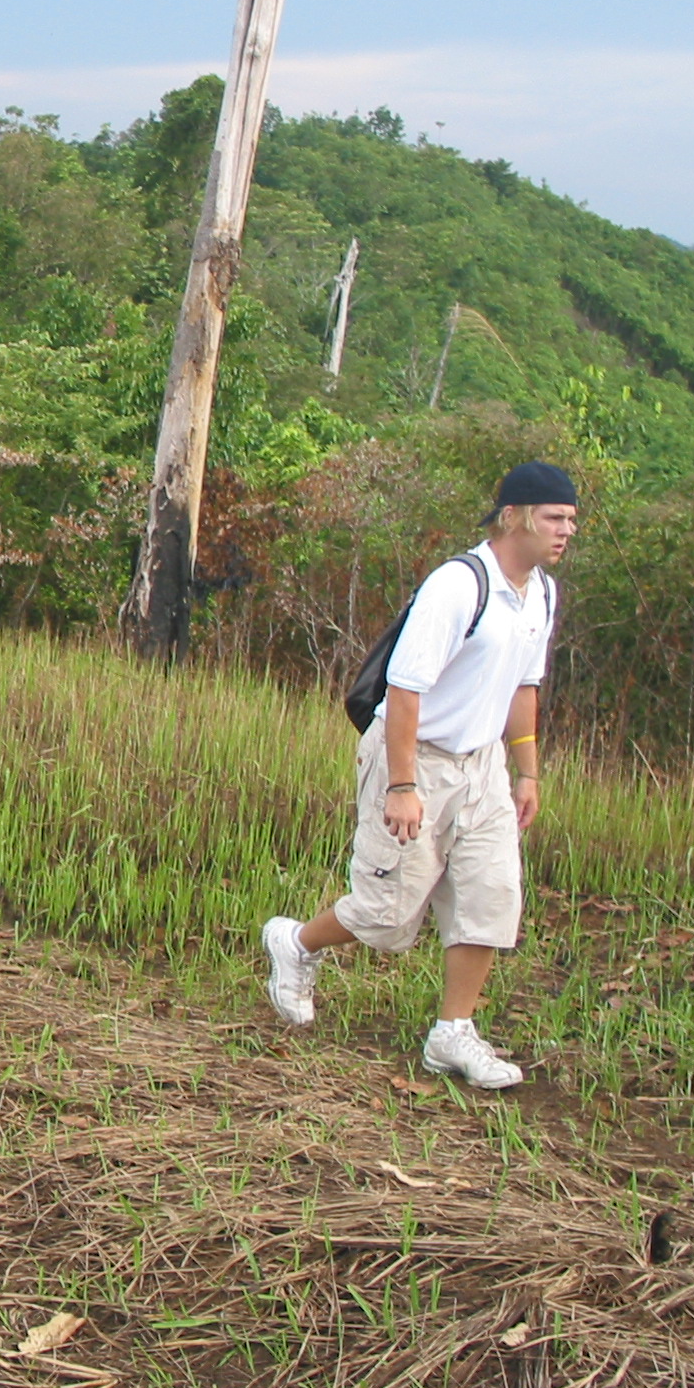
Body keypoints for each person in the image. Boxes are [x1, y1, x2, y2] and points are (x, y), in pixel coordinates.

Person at [262, 462, 580, 1090]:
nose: (565, 530)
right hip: (414, 755)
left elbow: (525, 686)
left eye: (571, 520)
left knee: (491, 899)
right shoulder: (458, 586)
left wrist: (527, 773)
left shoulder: (541, 594)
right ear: (513, 516)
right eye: (554, 518)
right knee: (385, 914)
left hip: (482, 766)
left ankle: (452, 1033)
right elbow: (405, 690)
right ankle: (297, 942)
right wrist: (402, 787)